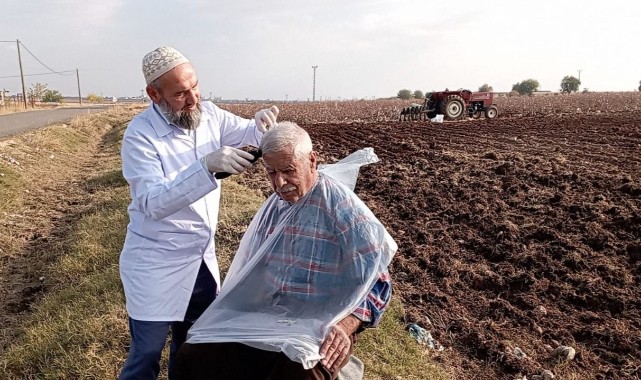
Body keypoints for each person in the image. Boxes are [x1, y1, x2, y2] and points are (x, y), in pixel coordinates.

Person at [174, 121, 397, 380]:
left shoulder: (342, 210)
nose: (280, 182)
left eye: (289, 170)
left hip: (320, 323)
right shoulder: (275, 208)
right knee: (194, 354)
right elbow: (257, 269)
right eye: (271, 172)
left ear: (312, 161)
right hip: (269, 316)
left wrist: (346, 325)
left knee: (299, 372)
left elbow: (379, 283)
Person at [118, 46, 280, 380]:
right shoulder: (141, 136)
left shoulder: (208, 114)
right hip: (157, 261)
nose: (192, 99)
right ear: (154, 94)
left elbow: (248, 131)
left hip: (199, 259)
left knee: (193, 346)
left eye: (195, 87)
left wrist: (260, 123)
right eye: (180, 94)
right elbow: (152, 201)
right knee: (146, 353)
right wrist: (205, 167)